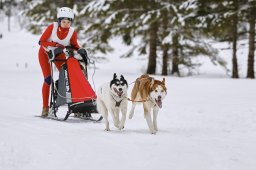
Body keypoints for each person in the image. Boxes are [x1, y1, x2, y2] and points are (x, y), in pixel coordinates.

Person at [38, 7, 87, 117]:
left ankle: (76, 106)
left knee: (69, 77)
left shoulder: (72, 32)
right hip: (45, 54)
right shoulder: (52, 27)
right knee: (48, 79)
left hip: (59, 54)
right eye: (63, 22)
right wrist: (55, 45)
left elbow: (74, 44)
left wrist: (80, 50)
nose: (66, 24)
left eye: (68, 22)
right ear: (59, 21)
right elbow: (41, 41)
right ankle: (45, 107)